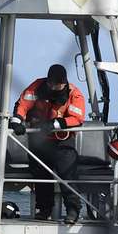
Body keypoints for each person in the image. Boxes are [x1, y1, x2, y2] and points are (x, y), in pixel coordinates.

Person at [10, 64, 86, 224]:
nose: (55, 87)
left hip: (63, 141)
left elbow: (77, 119)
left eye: (59, 85)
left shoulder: (75, 94)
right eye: (52, 84)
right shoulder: (36, 87)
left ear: (64, 83)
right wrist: (17, 120)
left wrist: (55, 124)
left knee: (67, 172)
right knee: (40, 173)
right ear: (48, 82)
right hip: (39, 140)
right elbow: (22, 105)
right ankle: (44, 209)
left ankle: (72, 210)